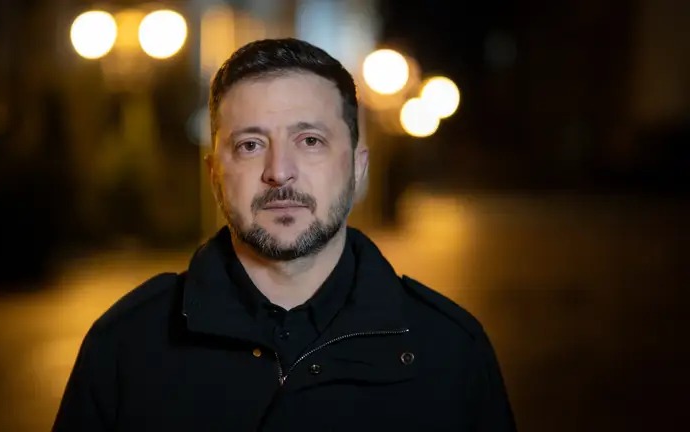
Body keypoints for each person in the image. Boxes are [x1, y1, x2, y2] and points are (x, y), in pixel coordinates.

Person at [53, 38, 516, 431]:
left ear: (357, 168)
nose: (278, 171)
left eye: (310, 140)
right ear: (215, 176)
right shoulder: (127, 346)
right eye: (250, 145)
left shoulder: (450, 350)